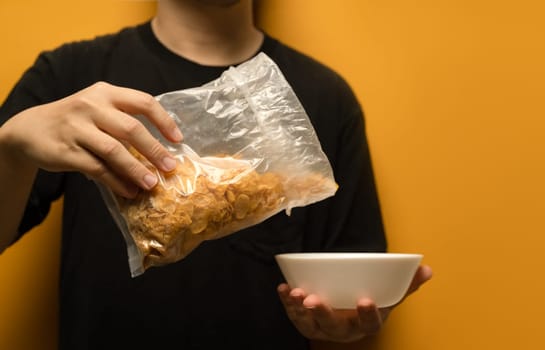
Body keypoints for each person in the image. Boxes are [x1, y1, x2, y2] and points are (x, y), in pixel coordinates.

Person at [0, 0, 432, 349]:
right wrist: (11, 150)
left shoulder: (326, 97)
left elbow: (354, 279)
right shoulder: (71, 79)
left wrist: (346, 319)